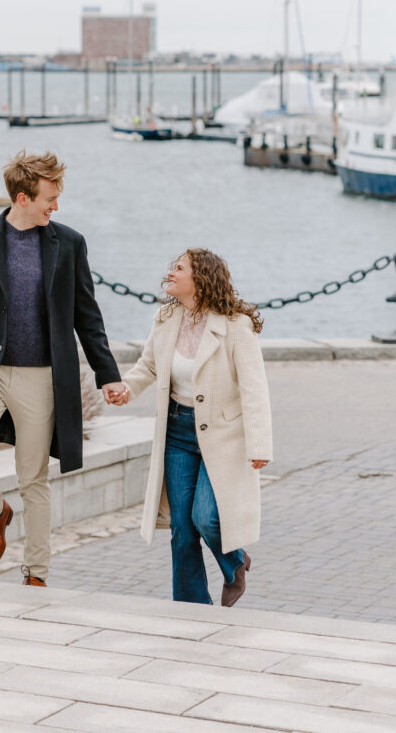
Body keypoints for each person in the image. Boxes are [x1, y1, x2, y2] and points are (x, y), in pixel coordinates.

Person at [0, 150, 126, 587]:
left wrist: (108, 374)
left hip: (42, 376)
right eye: (49, 199)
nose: (55, 207)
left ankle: (36, 574)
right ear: (23, 197)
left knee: (33, 478)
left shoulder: (69, 243)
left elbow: (87, 316)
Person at [113, 248, 272, 606]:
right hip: (177, 432)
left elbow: (254, 389)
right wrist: (126, 389)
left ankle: (235, 564)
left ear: (200, 280)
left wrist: (259, 445)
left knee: (207, 518)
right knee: (182, 530)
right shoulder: (166, 317)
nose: (171, 273)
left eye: (180, 268)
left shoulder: (235, 326)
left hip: (223, 437)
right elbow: (150, 366)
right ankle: (191, 609)